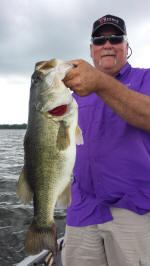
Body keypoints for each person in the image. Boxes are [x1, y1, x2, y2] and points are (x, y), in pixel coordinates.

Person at [61, 14, 150, 266]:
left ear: (126, 45)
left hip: (133, 208)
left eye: (115, 38)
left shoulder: (146, 79)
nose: (107, 44)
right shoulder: (73, 94)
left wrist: (100, 82)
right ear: (91, 50)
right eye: (100, 39)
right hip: (82, 209)